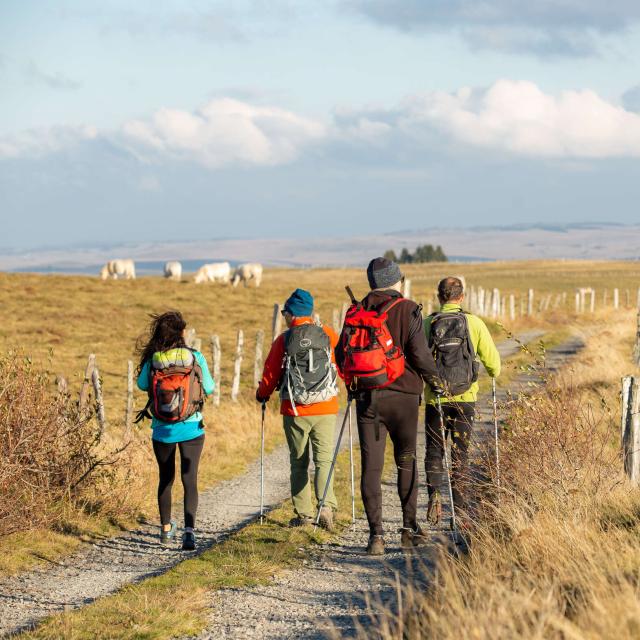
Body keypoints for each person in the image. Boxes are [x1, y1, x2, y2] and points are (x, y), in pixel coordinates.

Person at [336, 257, 441, 555]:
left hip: (368, 398)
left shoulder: (355, 311)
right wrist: (437, 382)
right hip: (404, 398)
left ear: (371, 282)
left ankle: (376, 537)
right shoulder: (408, 309)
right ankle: (408, 530)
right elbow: (419, 354)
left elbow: (341, 353)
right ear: (398, 280)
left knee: (372, 466)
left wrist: (353, 385)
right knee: (406, 460)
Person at [256, 289, 340, 530]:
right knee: (324, 460)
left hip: (295, 410)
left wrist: (262, 394)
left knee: (299, 462)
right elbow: (340, 364)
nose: (284, 316)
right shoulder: (327, 334)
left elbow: (270, 374)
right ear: (310, 312)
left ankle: (304, 515)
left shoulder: (284, 340)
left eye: (285, 313)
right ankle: (326, 507)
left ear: (291, 314)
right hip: (326, 408)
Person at [423, 277, 501, 528]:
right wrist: (492, 372)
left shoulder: (428, 323)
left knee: (434, 451)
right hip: (465, 399)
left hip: (436, 398)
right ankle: (460, 510)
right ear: (462, 297)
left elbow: (417, 360)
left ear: (439, 297)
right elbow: (495, 366)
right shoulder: (474, 323)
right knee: (460, 453)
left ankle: (434, 494)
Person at [136, 310, 214, 550]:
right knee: (189, 479)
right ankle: (189, 533)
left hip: (162, 430)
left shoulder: (155, 359)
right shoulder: (195, 357)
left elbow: (141, 385)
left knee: (166, 479)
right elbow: (209, 388)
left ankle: (166, 531)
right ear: (181, 332)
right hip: (192, 426)